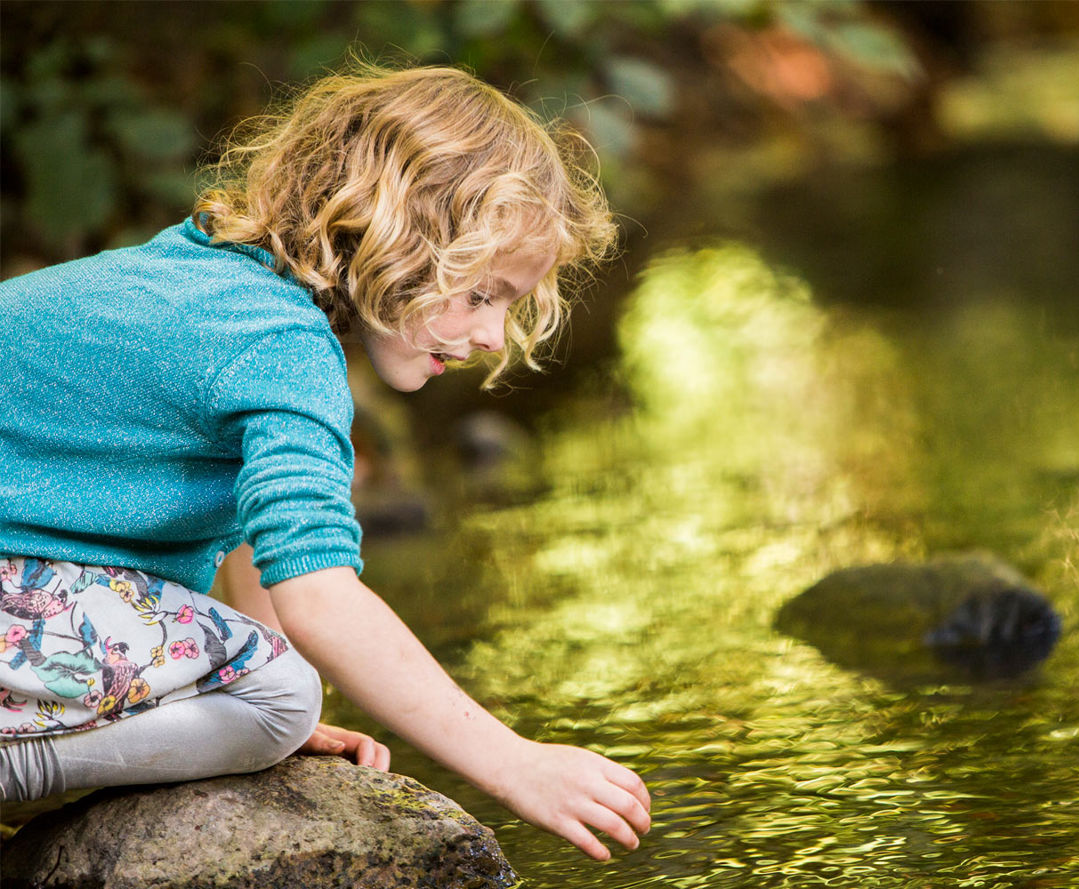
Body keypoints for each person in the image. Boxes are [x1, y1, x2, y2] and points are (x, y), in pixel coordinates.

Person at [0, 63, 651, 861]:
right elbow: (318, 594)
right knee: (278, 692)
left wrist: (270, 718)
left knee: (272, 698)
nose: (490, 336)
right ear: (396, 240)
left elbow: (255, 537)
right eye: (482, 294)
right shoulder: (280, 346)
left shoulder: (215, 276)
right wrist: (514, 764)